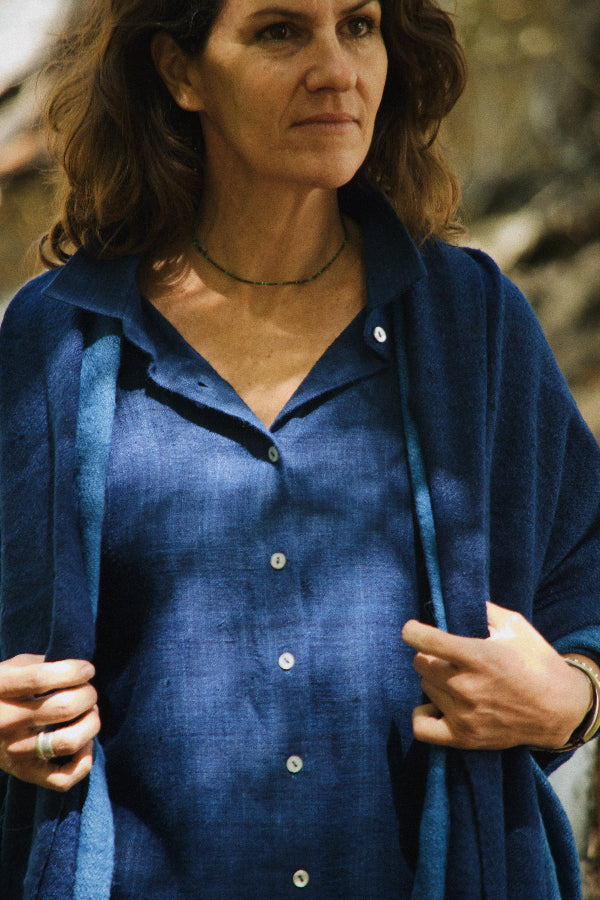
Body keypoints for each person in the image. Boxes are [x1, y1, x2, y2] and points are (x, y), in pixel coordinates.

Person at [1, 0, 599, 897]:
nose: (336, 70)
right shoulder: (59, 340)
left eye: (359, 25)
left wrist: (570, 700)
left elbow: (588, 573)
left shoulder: (471, 322)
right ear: (180, 71)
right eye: (280, 31)